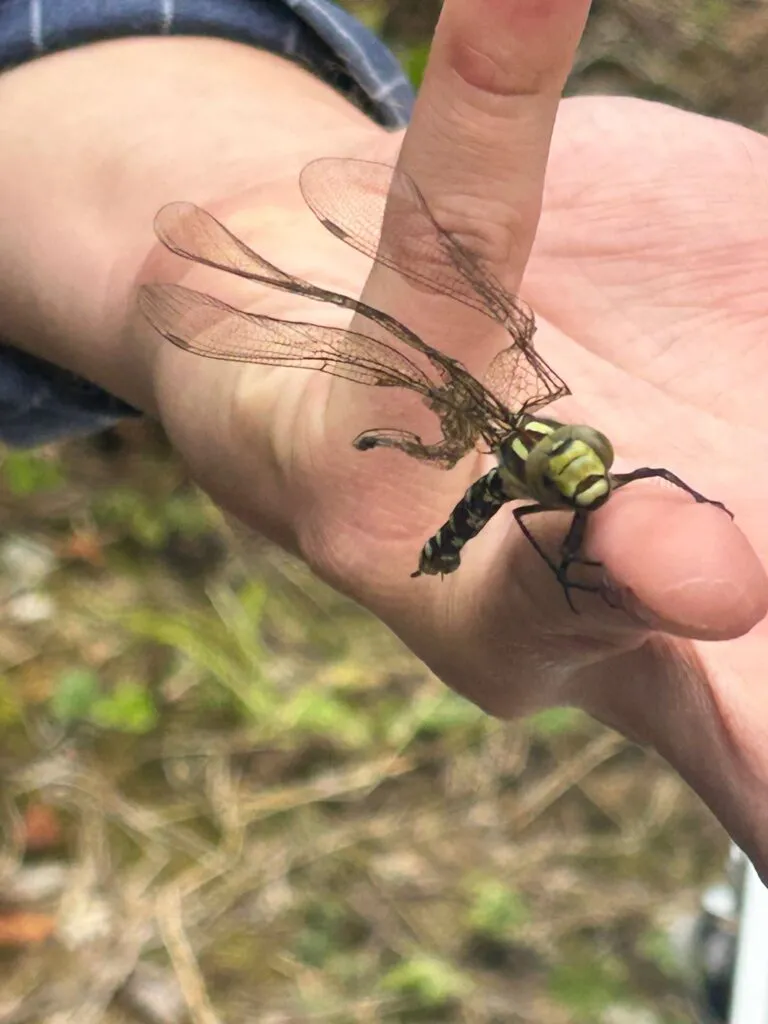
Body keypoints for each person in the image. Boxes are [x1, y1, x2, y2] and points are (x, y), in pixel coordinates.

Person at [2, 0, 767, 887]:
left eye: (580, 455)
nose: (582, 468)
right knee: (534, 525)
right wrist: (249, 220)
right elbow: (523, 520)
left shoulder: (576, 452)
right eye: (569, 460)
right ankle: (448, 548)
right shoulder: (511, 477)